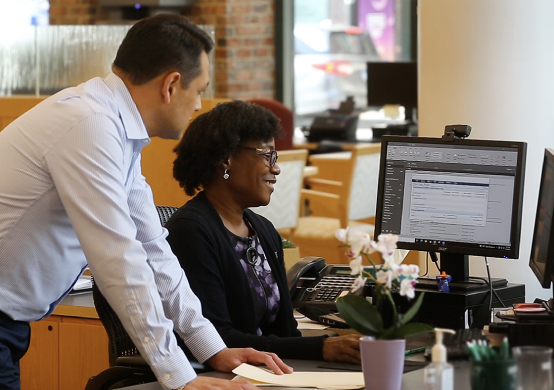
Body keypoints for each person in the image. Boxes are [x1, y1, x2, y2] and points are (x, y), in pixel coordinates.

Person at [0, 14, 292, 390]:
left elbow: (154, 249)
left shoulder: (117, 130)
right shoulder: (89, 124)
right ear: (171, 85)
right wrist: (181, 378)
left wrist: (213, 350)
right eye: (199, 89)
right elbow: (119, 259)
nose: (200, 104)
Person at [165, 100, 361, 364]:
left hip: (269, 370)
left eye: (275, 157)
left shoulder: (263, 230)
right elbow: (216, 338)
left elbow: (285, 332)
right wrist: (320, 348)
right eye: (266, 155)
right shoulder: (191, 231)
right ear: (227, 159)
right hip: (220, 375)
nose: (276, 168)